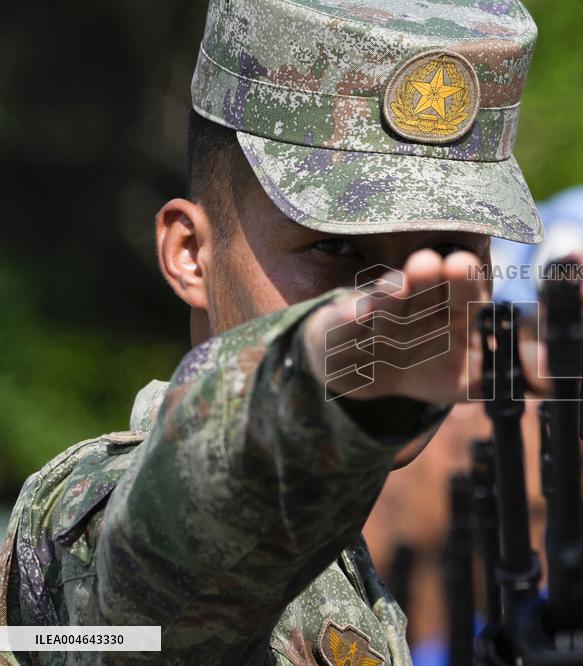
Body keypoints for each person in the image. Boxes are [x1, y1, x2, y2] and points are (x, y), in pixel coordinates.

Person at [0, 1, 542, 663]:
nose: (399, 292)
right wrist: (312, 366)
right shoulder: (83, 528)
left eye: (449, 249)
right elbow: (160, 570)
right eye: (335, 249)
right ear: (190, 253)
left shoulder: (378, 571)